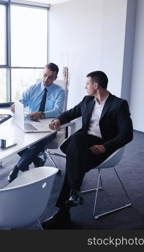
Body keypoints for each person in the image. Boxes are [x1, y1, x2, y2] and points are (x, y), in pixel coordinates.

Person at [42, 71, 133, 229]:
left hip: (102, 147)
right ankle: (73, 193)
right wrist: (58, 119)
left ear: (96, 85)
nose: (85, 86)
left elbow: (127, 134)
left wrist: (105, 147)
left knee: (73, 157)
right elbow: (71, 113)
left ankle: (64, 211)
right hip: (83, 145)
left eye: (87, 84)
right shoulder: (87, 100)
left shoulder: (119, 105)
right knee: (76, 149)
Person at [8, 63, 65, 182]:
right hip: (31, 123)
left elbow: (58, 110)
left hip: (49, 126)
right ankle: (36, 160)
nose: (46, 79)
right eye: (44, 75)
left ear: (55, 78)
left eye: (50, 77)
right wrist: (15, 105)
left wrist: (42, 114)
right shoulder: (33, 88)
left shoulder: (60, 91)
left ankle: (18, 167)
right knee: (13, 137)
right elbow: (21, 100)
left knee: (38, 142)